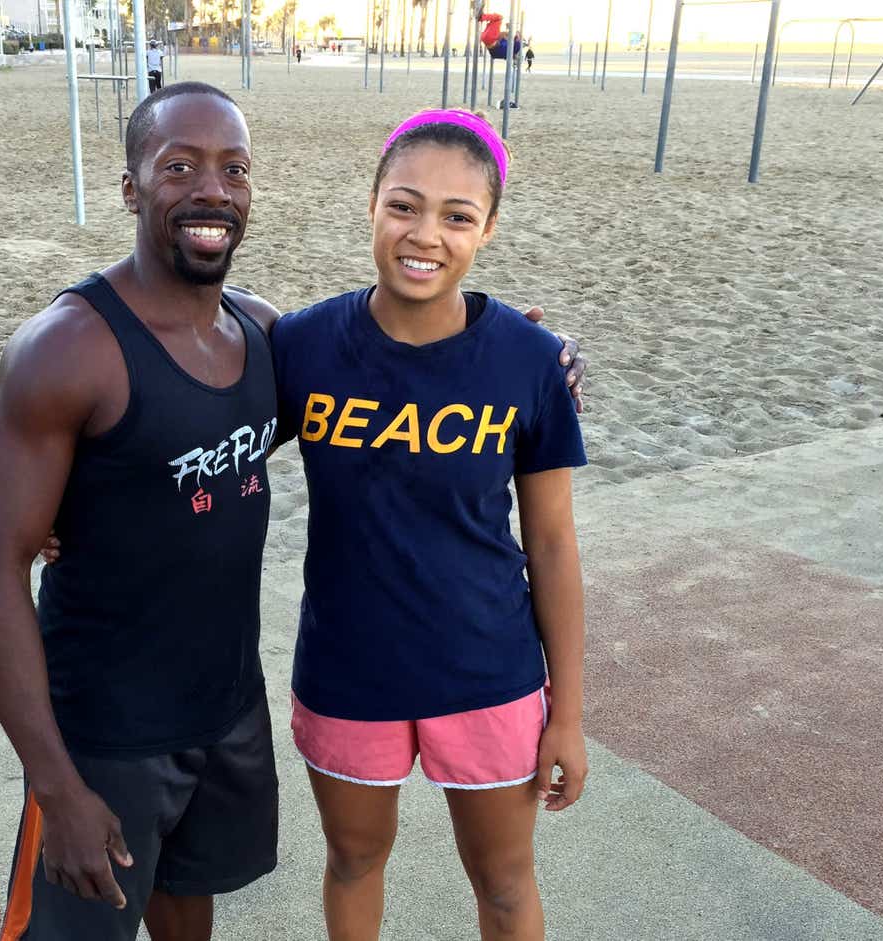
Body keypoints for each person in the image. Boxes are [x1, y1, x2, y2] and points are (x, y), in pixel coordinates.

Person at [0, 83, 587, 941]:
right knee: (95, 923)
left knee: (202, 913)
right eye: (178, 166)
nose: (210, 188)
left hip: (254, 704)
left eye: (233, 168)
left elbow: (392, 397)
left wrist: (527, 354)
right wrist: (54, 780)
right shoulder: (120, 348)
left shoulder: (270, 335)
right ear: (131, 186)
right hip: (154, 715)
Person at [274, 108, 587, 941]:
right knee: (352, 861)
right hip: (350, 667)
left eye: (457, 216)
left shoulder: (529, 361)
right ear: (372, 205)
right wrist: (69, 511)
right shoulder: (302, 347)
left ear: (487, 229)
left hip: (488, 668)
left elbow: (552, 543)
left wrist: (570, 711)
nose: (426, 235)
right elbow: (198, 422)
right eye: (404, 205)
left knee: (505, 881)